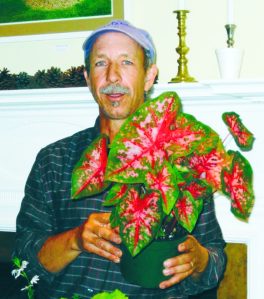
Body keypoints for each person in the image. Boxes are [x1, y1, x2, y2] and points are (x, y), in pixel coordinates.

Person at [14, 20, 226, 299]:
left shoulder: (180, 160)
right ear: (89, 79)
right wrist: (76, 239)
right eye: (101, 64)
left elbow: (214, 257)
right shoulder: (54, 160)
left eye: (126, 62)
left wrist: (198, 260)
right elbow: (25, 263)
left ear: (149, 76)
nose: (113, 76)